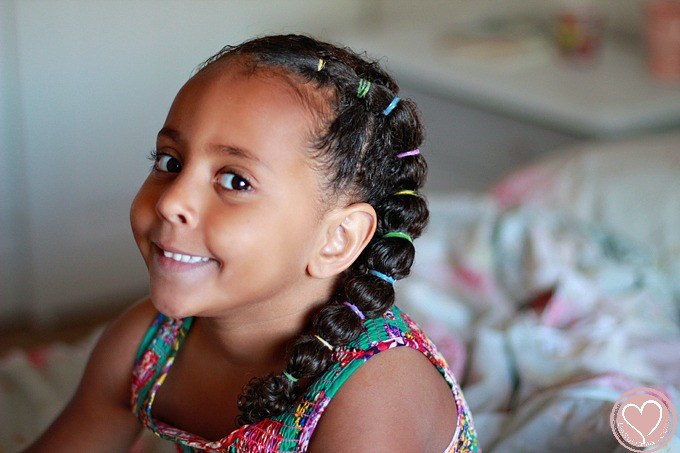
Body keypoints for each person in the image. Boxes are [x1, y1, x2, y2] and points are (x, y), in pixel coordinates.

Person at [27, 34, 478, 452]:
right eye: (170, 160)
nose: (172, 201)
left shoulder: (372, 395)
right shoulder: (145, 343)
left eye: (235, 180)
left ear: (336, 240)